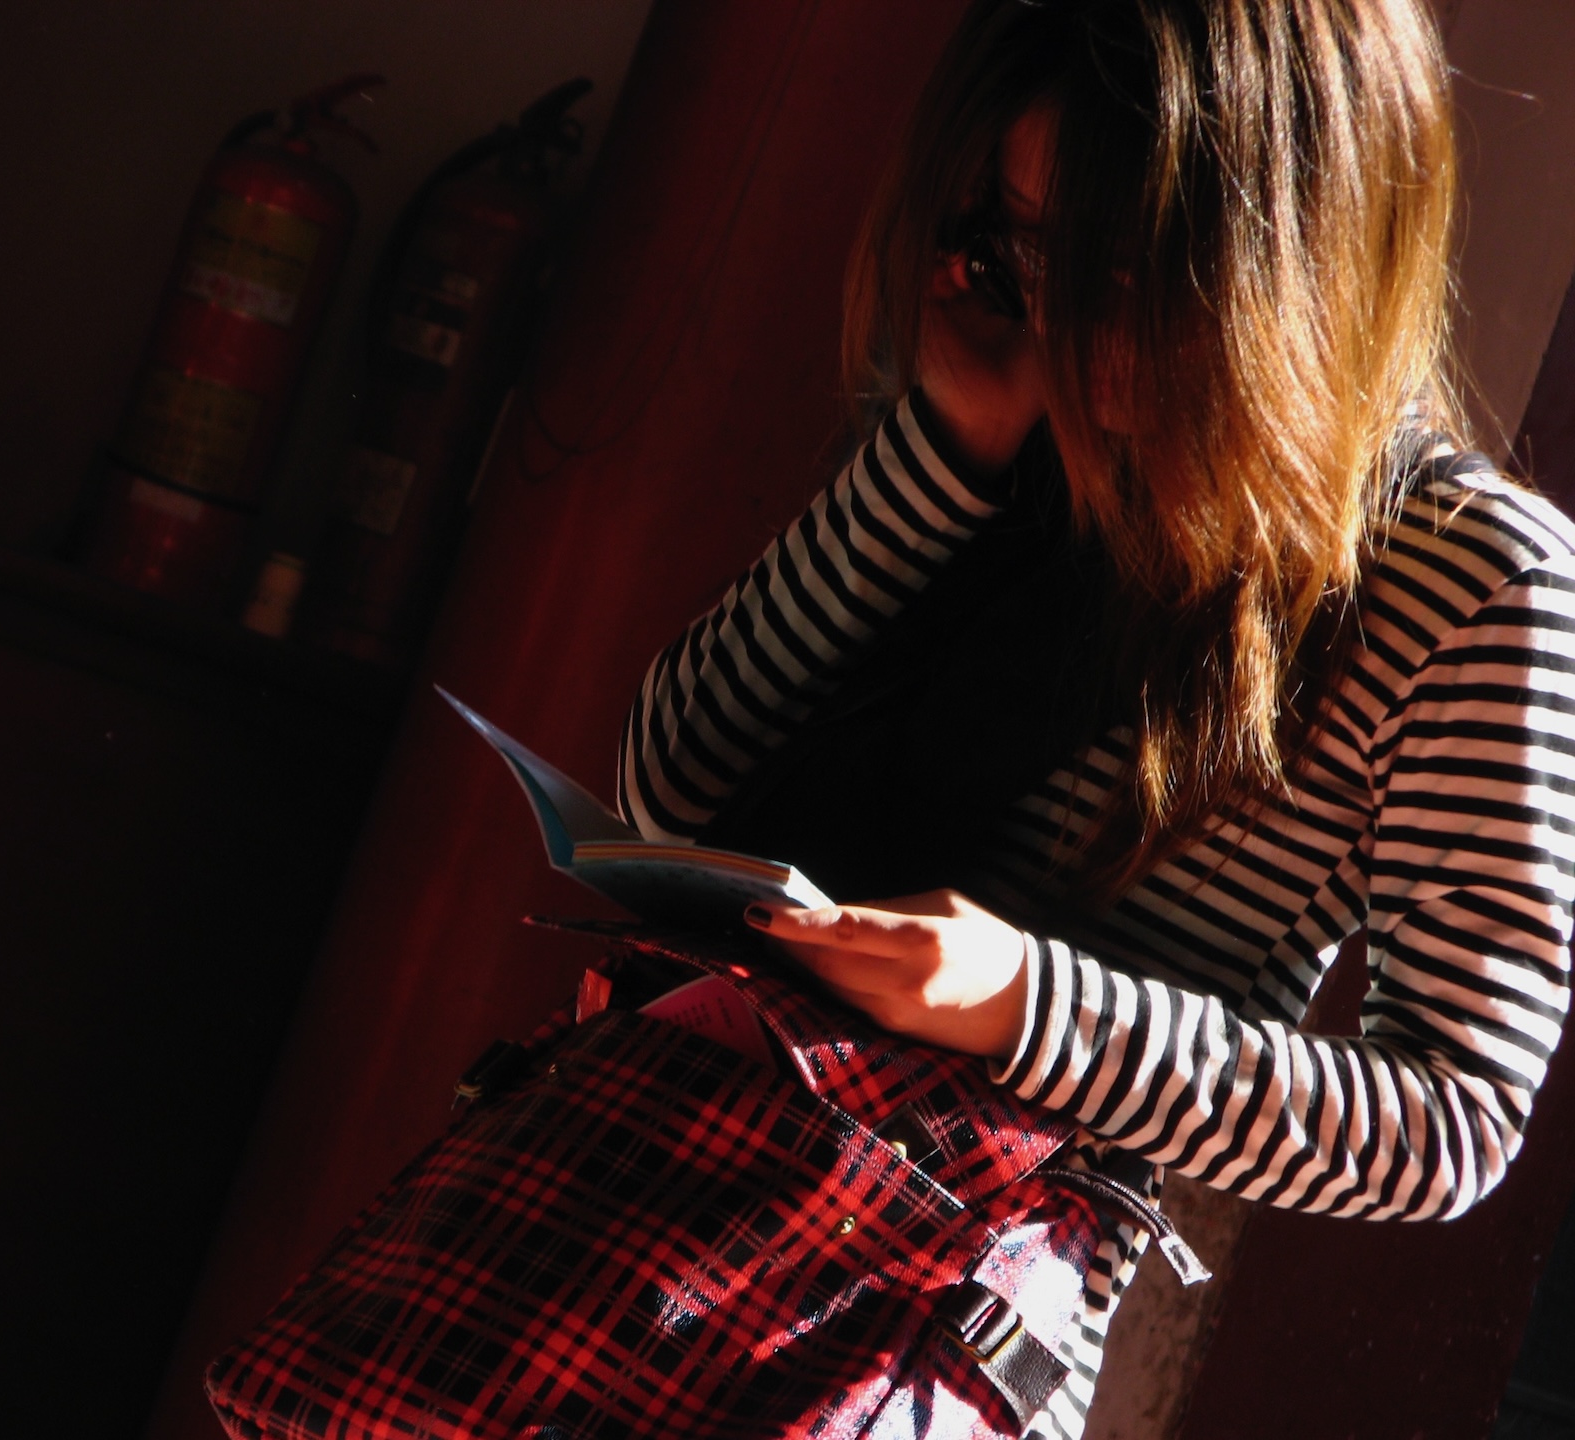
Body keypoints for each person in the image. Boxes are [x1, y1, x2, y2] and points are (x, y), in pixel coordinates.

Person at [617, 1, 1575, 1435]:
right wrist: (940, 448)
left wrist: (1026, 1003)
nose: (1077, 328)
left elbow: (1451, 1119)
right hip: (628, 1235)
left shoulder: (1466, 578)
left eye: (1136, 272)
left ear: (1292, 261)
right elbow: (670, 793)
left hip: (919, 1350)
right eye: (1030, 248)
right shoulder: (1008, 409)